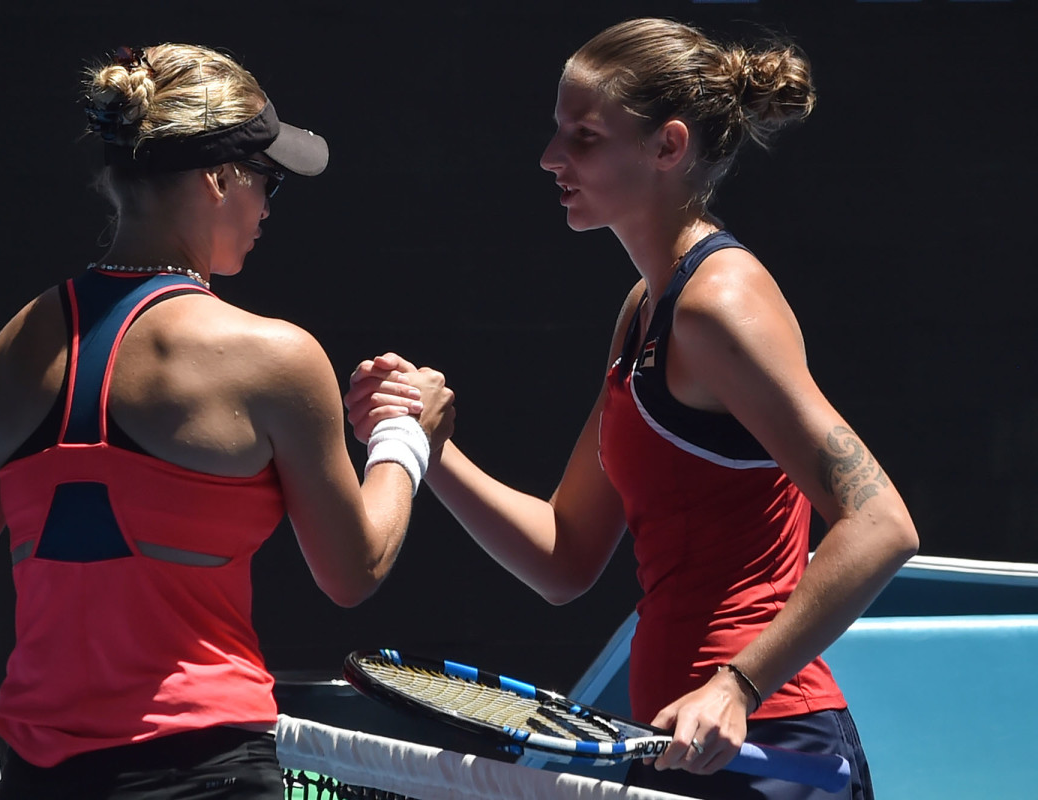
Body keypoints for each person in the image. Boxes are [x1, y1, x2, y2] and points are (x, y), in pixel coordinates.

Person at [345, 18, 917, 800]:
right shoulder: (644, 309)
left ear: (668, 147)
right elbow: (564, 557)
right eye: (558, 131)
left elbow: (882, 522)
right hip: (678, 743)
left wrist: (736, 687)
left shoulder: (719, 307)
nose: (552, 158)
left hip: (773, 745)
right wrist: (431, 449)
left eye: (582, 137)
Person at [0, 42, 453, 800]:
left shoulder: (14, 351)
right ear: (218, 180)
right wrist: (404, 436)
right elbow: (352, 571)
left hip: (35, 782)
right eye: (268, 183)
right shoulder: (275, 358)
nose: (265, 210)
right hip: (207, 772)